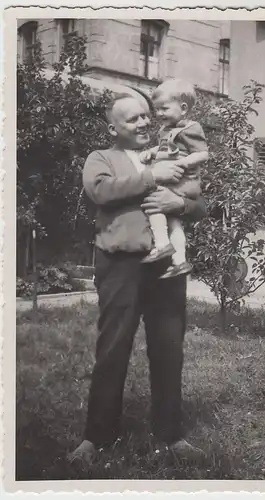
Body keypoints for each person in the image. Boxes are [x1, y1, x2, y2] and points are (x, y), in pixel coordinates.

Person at [68, 92, 207, 466]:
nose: (144, 123)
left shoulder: (169, 150)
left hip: (166, 266)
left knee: (168, 348)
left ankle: (171, 434)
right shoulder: (102, 159)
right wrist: (151, 177)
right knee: (113, 347)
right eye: (133, 119)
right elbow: (101, 191)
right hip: (121, 264)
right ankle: (96, 437)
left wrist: (177, 204)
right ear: (114, 128)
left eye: (146, 116)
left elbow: (199, 202)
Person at [139, 79, 209, 279]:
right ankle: (179, 261)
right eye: (157, 109)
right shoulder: (167, 130)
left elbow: (203, 154)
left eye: (164, 108)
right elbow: (165, 149)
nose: (159, 113)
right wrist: (152, 152)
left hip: (181, 181)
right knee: (174, 223)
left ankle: (162, 245)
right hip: (176, 182)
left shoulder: (191, 128)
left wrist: (182, 164)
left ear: (184, 108)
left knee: (154, 204)